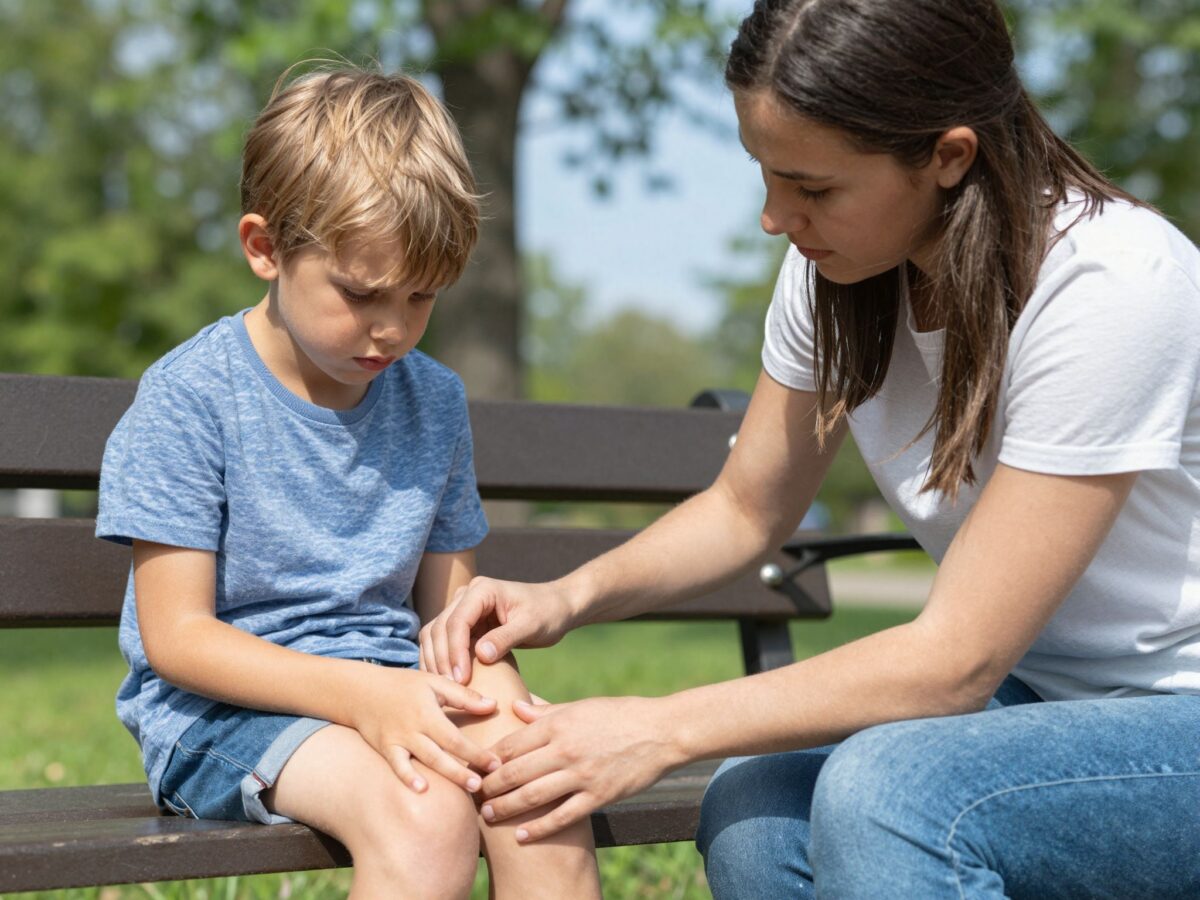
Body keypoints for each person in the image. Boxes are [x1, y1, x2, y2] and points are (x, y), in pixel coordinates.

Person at [419, 0, 1200, 896]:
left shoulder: (1109, 288)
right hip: (1044, 706)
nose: (773, 216)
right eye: (766, 175)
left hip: (1179, 716)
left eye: (813, 187)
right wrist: (566, 597)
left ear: (949, 157)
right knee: (758, 811)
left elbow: (956, 662)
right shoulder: (835, 276)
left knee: (894, 794)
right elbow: (746, 507)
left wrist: (659, 727)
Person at [96, 66, 601, 900]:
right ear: (265, 248)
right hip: (222, 713)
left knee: (539, 790)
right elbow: (177, 639)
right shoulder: (193, 397)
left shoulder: (431, 398)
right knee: (423, 810)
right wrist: (365, 693)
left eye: (423, 296)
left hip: (395, 681)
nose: (393, 328)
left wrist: (508, 716)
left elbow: (450, 617)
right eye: (361, 292)